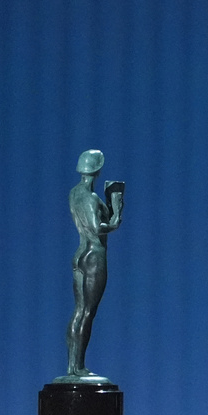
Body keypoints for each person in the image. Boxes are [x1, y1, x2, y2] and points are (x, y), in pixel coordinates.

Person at [64, 149, 124, 379]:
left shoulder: (75, 194)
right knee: (87, 312)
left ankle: (73, 365)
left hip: (81, 254)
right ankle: (77, 367)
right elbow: (97, 227)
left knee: (79, 311)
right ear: (97, 170)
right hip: (94, 255)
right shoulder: (89, 198)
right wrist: (116, 218)